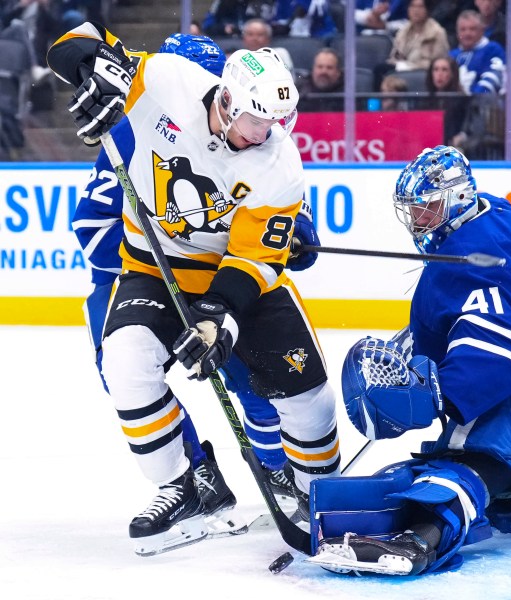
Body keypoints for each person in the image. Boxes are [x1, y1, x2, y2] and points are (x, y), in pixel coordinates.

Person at [48, 21, 341, 556]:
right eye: (257, 120)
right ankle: (186, 482)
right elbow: (76, 40)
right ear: (227, 100)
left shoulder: (278, 160)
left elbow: (256, 253)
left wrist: (221, 312)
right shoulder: (159, 87)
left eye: (277, 121)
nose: (267, 132)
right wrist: (86, 67)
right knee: (124, 363)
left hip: (232, 277)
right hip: (152, 272)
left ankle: (307, 482)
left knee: (302, 390)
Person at [306, 145, 511, 576]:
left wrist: (439, 394)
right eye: (414, 211)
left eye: (427, 209)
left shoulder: (472, 254)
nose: (418, 220)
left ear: (458, 198)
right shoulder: (494, 215)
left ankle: (421, 537)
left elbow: (505, 356)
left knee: (467, 453)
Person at [373, 0, 449, 90]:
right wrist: (399, 64)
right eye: (412, 6)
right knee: (380, 70)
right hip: (399, 73)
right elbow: (394, 56)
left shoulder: (437, 33)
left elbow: (438, 63)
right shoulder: (403, 32)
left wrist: (408, 66)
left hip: (422, 75)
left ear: (427, 10)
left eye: (420, 7)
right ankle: (378, 103)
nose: (416, 10)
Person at [449, 9, 505, 94]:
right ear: (457, 33)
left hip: (483, 104)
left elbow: (493, 78)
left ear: (482, 30)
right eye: (463, 30)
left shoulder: (492, 49)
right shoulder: (452, 55)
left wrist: (472, 99)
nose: (467, 33)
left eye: (472, 29)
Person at [424, 55, 469, 146]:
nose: (439, 74)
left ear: (452, 74)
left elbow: (469, 128)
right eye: (436, 69)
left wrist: (461, 137)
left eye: (444, 70)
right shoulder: (423, 100)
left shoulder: (462, 100)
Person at [296, 47, 344, 112]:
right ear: (313, 69)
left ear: (338, 72)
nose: (324, 71)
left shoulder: (349, 93)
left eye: (329, 68)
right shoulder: (300, 90)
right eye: (320, 67)